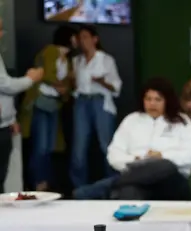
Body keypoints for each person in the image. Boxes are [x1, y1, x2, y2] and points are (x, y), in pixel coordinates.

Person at [18, 24, 75, 192]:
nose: (77, 41)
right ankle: (38, 183)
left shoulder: (68, 59)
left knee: (50, 147)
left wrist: (65, 88)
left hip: (54, 105)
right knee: (41, 146)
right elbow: (48, 74)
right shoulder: (50, 51)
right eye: (75, 37)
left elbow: (68, 84)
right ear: (68, 37)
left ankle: (45, 183)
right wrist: (61, 86)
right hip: (41, 102)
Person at [70, 25, 123, 189]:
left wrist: (101, 82)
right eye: (80, 38)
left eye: (86, 37)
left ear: (95, 39)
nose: (82, 41)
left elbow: (116, 87)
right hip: (81, 101)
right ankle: (80, 188)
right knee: (79, 146)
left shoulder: (106, 59)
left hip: (100, 101)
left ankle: (113, 185)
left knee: (106, 145)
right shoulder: (76, 61)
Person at [0, 18, 44, 193]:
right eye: (0, 29)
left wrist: (11, 118)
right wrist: (31, 79)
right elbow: (6, 86)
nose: (2, 34)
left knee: (2, 175)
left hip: (3, 126)